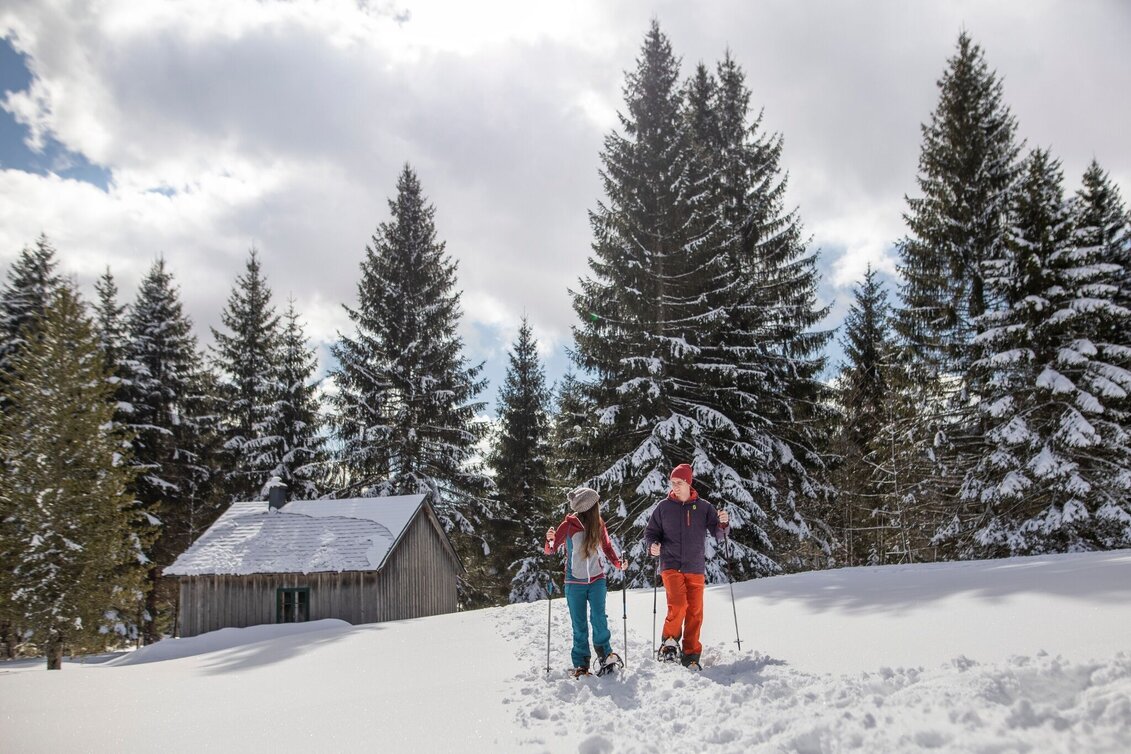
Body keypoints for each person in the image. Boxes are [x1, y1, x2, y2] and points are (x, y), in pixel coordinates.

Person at [643, 463, 729, 670]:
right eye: (672, 483)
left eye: (679, 483)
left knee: (695, 612)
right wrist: (652, 546)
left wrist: (723, 524)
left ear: (688, 483)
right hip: (670, 564)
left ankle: (691, 654)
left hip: (695, 566)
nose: (675, 487)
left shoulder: (704, 507)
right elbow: (650, 533)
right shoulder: (663, 507)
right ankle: (669, 643)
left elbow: (719, 534)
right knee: (678, 605)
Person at [545, 486, 624, 678]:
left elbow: (606, 546)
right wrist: (549, 540)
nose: (599, 506)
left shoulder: (599, 524)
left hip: (597, 580)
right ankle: (581, 664)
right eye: (596, 503)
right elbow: (551, 550)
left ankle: (605, 655)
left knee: (599, 619)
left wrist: (618, 563)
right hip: (574, 583)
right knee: (579, 625)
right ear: (589, 507)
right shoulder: (568, 526)